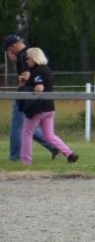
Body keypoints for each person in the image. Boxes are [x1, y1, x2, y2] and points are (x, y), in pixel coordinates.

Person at [4, 33, 61, 162]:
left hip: (25, 95)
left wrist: (20, 90)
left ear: (13, 46)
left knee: (16, 128)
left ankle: (15, 157)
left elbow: (25, 76)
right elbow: (24, 72)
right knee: (28, 127)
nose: (8, 51)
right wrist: (14, 62)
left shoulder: (23, 56)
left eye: (8, 48)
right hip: (31, 95)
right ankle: (53, 147)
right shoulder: (25, 54)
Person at [16, 47, 76, 165]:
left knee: (26, 133)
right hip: (50, 108)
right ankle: (69, 154)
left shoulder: (36, 71)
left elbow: (39, 87)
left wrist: (26, 86)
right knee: (49, 135)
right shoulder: (47, 70)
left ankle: (26, 161)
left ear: (34, 58)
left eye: (27, 58)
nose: (26, 61)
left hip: (37, 109)